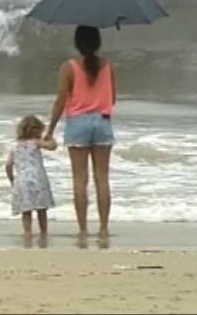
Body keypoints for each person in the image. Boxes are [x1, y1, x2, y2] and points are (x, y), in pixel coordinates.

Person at [44, 26, 118, 239]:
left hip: (78, 123)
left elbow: (60, 100)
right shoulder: (108, 65)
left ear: (77, 43)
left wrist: (50, 129)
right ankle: (103, 228)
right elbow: (112, 97)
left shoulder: (69, 67)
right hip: (103, 122)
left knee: (80, 179)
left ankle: (83, 229)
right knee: (102, 179)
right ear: (98, 42)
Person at [5, 115, 58, 238]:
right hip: (38, 179)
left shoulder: (15, 147)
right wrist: (51, 138)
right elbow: (52, 147)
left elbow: (8, 166)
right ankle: (43, 232)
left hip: (21, 181)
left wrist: (12, 179)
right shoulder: (36, 142)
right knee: (41, 209)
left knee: (26, 210)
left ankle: (27, 232)